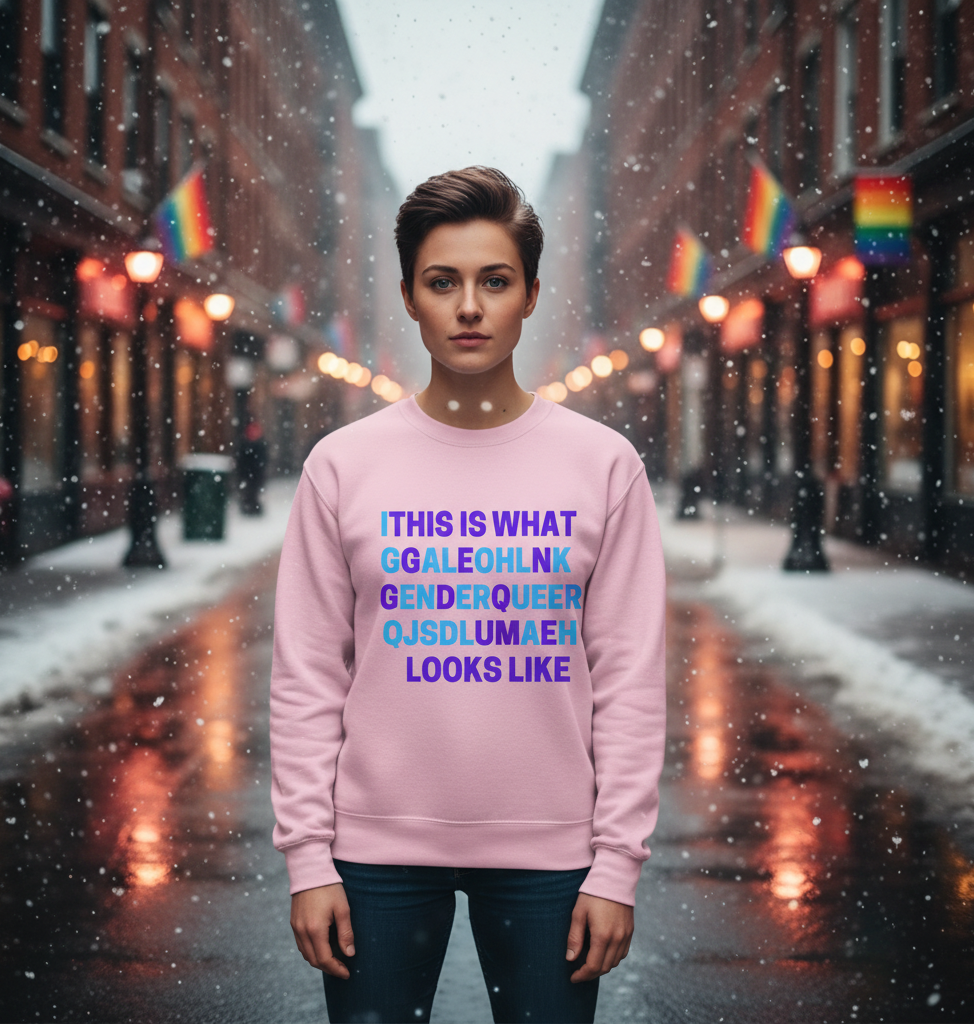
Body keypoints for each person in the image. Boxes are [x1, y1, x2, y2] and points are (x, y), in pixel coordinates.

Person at [270, 167, 667, 1024]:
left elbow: (630, 680)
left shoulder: (602, 465)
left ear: (528, 294)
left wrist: (616, 865)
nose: (470, 307)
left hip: (553, 853)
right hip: (370, 855)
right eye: (442, 282)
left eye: (495, 281)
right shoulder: (343, 465)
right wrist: (309, 858)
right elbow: (307, 676)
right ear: (411, 297)